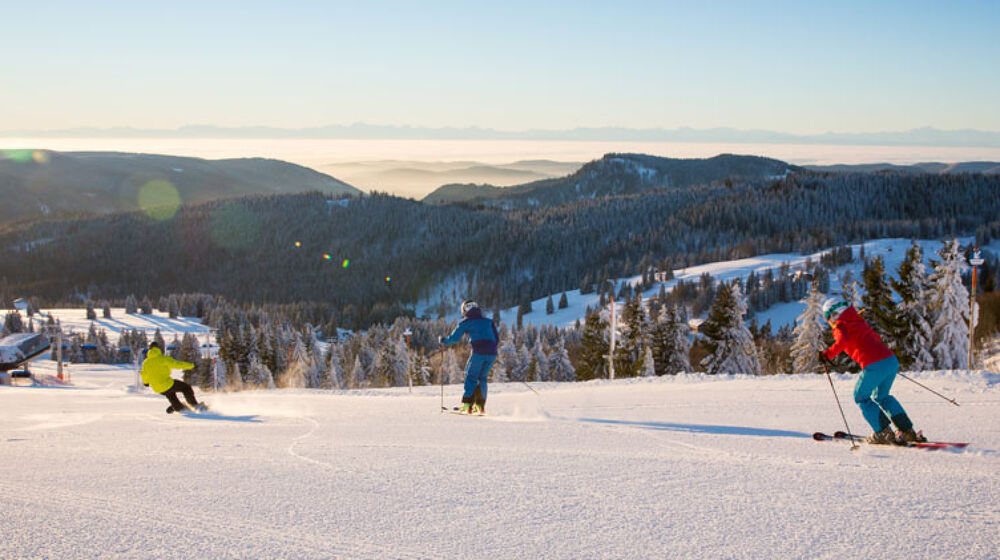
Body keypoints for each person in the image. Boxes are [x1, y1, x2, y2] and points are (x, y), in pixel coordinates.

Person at [819, 299, 925, 444]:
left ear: (836, 313)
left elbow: (842, 341)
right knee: (882, 396)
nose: (829, 321)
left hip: (875, 364)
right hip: (890, 360)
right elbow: (875, 337)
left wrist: (826, 355)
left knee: (860, 396)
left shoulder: (841, 326)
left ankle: (883, 432)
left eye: (829, 317)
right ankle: (907, 431)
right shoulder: (858, 320)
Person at [440, 300, 499, 415]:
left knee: (470, 376)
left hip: (478, 352)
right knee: (482, 377)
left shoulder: (465, 322)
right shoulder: (488, 321)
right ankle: (480, 406)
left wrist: (443, 341)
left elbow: (454, 338)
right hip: (492, 353)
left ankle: (468, 406)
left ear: (464, 310)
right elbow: (496, 339)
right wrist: (489, 348)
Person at [141, 341, 206, 413]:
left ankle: (179, 408)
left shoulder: (146, 362)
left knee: (171, 395)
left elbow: (144, 374)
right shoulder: (163, 359)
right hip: (167, 383)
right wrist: (191, 366)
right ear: (158, 349)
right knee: (186, 388)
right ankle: (195, 405)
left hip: (157, 388)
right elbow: (177, 364)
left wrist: (146, 382)